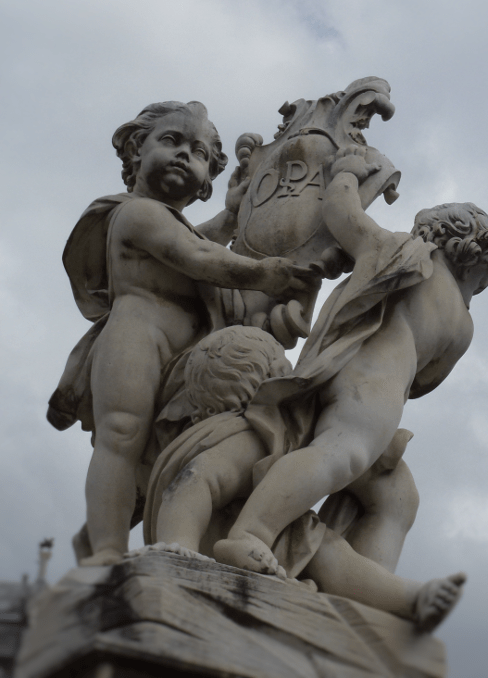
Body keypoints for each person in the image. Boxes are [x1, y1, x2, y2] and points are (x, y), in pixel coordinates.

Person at [214, 145, 488, 577]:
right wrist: (347, 169)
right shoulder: (452, 311)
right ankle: (251, 533)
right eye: (483, 279)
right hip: (376, 391)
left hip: (350, 373)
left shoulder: (401, 254)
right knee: (340, 455)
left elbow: (345, 214)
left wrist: (348, 174)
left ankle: (362, 587)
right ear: (465, 251)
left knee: (396, 496)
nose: (479, 290)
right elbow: (425, 380)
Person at [48, 101, 318, 567]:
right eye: (170, 141)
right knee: (121, 436)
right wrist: (264, 273)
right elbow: (197, 257)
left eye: (198, 153)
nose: (183, 155)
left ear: (206, 178)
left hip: (185, 350)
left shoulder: (177, 225)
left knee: (152, 453)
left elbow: (198, 239)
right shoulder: (135, 214)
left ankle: (107, 534)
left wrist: (231, 216)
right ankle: (105, 551)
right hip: (136, 339)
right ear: (136, 151)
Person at [140, 325, 464, 631]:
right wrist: (179, 546)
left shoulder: (264, 437)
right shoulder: (246, 436)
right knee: (331, 556)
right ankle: (407, 598)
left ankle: (408, 598)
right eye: (284, 368)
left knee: (330, 552)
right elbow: (196, 480)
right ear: (268, 380)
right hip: (226, 542)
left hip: (272, 542)